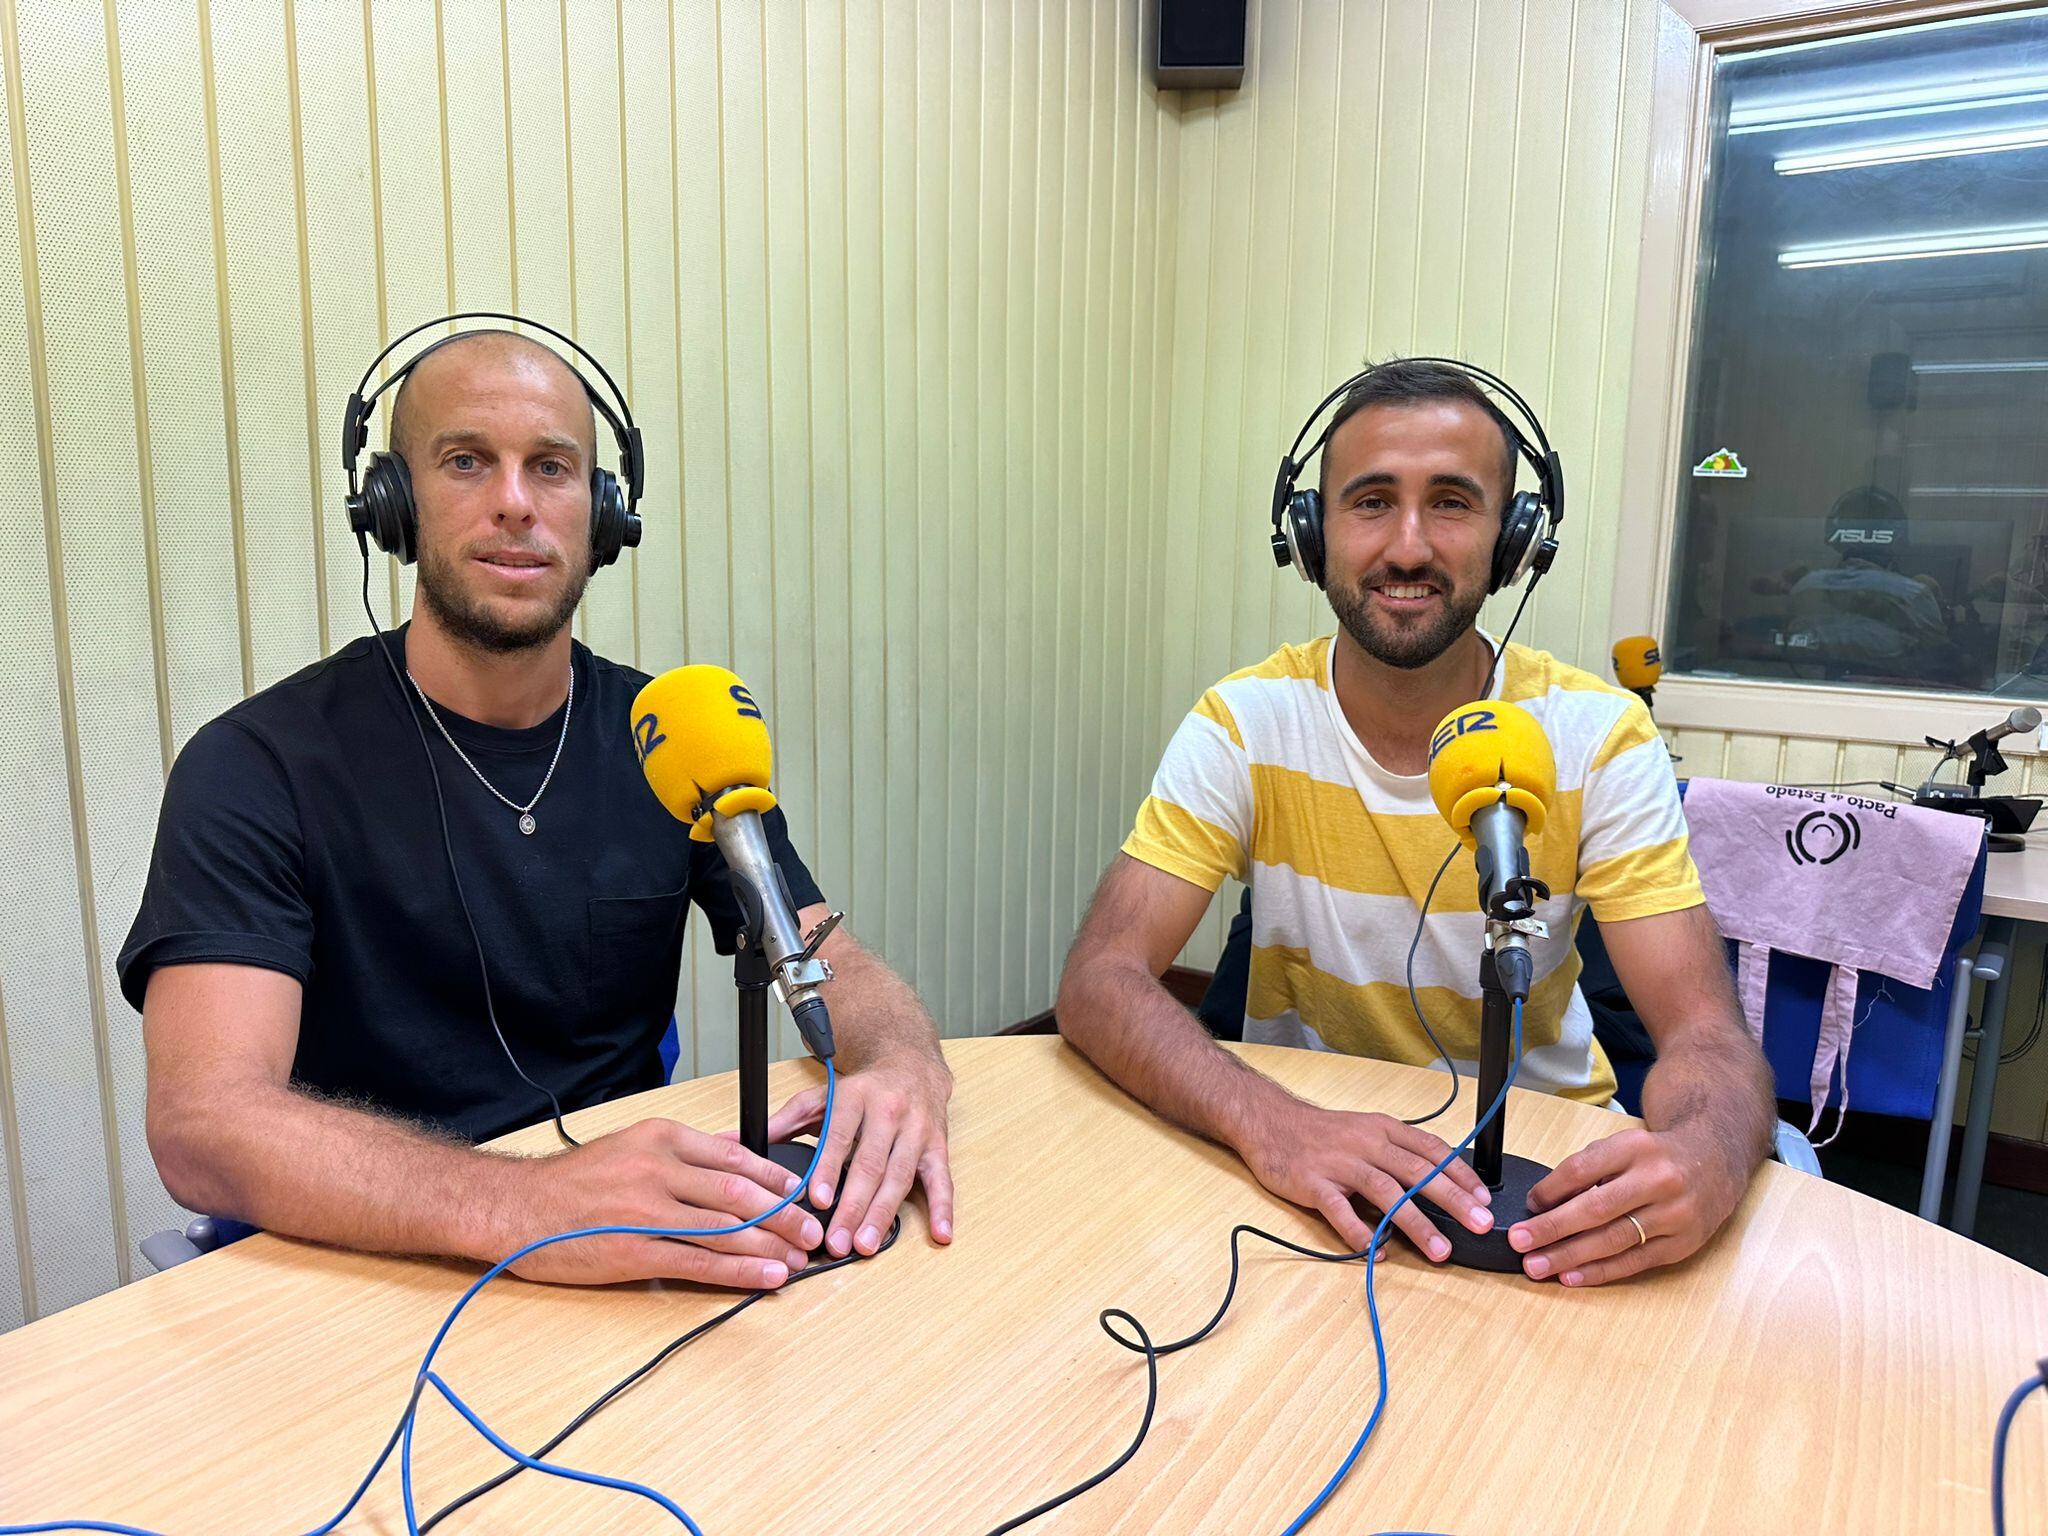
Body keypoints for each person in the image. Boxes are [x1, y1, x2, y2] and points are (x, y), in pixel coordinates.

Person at [120, 324, 954, 1290]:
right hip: (363, 1267)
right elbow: (203, 1123)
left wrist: (901, 1059)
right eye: (467, 461)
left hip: (628, 1255)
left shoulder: (672, 737)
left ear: (603, 515)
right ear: (393, 505)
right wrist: (527, 1204)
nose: (514, 504)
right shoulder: (256, 765)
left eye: (551, 468)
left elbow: (824, 957)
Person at [1058, 358, 1774, 1288]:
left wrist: (1708, 1155)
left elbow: (1705, 1034)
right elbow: (1099, 980)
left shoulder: (1598, 737)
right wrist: (1273, 1124)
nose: (1406, 546)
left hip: (1546, 1192)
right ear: (1312, 536)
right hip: (1313, 1180)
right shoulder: (1244, 723)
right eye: (1368, 502)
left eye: (1450, 502)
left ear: (1514, 541)